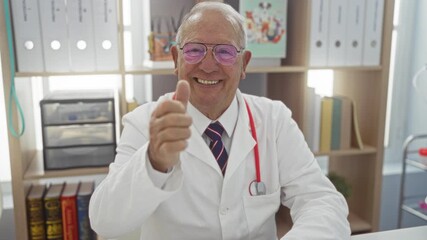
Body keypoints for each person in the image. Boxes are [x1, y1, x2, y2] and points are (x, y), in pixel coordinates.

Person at [89, 2, 351, 239]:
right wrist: (153, 163)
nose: (208, 65)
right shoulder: (144, 123)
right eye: (194, 50)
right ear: (175, 59)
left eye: (224, 52)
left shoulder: (274, 119)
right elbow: (106, 222)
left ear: (244, 63)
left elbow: (321, 200)